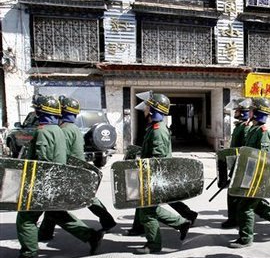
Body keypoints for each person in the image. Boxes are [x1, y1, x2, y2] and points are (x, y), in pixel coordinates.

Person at [6, 95, 104, 258]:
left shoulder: (43, 131)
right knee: (55, 213)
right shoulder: (58, 129)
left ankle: (29, 254)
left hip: (44, 182)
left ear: (39, 111)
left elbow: (42, 161)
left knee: (25, 218)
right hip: (57, 179)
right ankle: (91, 236)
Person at [38, 96, 116, 241]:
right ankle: (45, 232)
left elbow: (61, 153)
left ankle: (104, 223)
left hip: (72, 170)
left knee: (73, 200)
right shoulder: (72, 128)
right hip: (79, 168)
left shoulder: (65, 130)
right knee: (81, 198)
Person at [126, 95, 198, 236]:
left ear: (153, 110)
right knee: (142, 201)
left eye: (148, 107)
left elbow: (157, 157)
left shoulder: (158, 130)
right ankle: (139, 227)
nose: (145, 109)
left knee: (148, 206)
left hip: (154, 174)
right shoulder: (154, 127)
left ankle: (181, 223)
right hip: (152, 173)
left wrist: (148, 175)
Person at [229, 97, 270, 248]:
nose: (248, 112)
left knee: (245, 207)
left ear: (257, 113)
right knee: (255, 205)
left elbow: (265, 160)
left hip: (257, 177)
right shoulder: (253, 130)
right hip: (249, 174)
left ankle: (246, 238)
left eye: (251, 110)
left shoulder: (263, 133)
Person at [221, 97, 251, 229]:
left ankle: (234, 219)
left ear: (243, 113)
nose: (235, 113)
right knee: (233, 193)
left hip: (241, 165)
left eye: (237, 111)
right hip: (235, 164)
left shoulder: (244, 128)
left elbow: (244, 150)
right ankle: (234, 218)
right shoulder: (239, 126)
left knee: (235, 194)